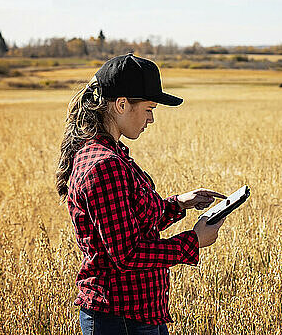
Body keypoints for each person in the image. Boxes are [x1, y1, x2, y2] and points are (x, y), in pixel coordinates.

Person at [55, 53, 227, 335]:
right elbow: (128, 254)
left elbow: (131, 221)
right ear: (121, 104)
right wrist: (193, 241)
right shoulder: (105, 165)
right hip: (120, 318)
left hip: (137, 314)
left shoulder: (110, 154)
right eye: (149, 108)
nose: (151, 119)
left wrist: (180, 204)